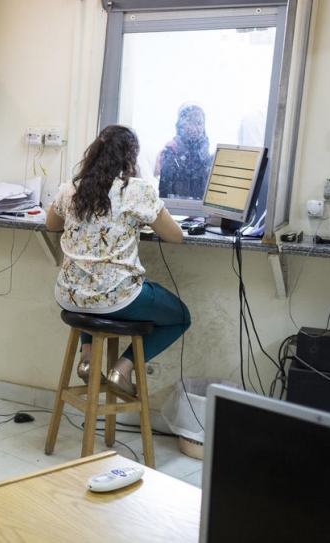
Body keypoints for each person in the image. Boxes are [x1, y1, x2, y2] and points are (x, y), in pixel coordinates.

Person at [46, 125, 191, 396]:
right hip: (115, 297)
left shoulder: (71, 189)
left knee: (93, 292)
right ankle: (122, 368)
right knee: (181, 317)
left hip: (69, 295)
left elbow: (51, 224)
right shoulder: (136, 191)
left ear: (93, 154)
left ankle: (87, 358)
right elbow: (176, 237)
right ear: (131, 159)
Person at [155, 102, 211, 199]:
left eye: (199, 123)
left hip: (199, 210)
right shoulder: (171, 148)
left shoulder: (204, 152)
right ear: (180, 125)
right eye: (189, 122)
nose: (194, 128)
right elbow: (164, 191)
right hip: (177, 209)